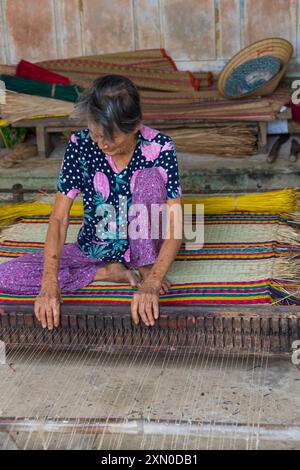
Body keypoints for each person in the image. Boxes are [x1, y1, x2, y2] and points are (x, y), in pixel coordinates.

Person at [0, 75, 183, 330]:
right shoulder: (80, 146)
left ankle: (145, 265)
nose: (104, 143)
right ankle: (107, 273)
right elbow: (59, 218)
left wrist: (153, 281)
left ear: (134, 126)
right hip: (96, 249)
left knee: (149, 180)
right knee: (6, 276)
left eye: (112, 137)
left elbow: (176, 222)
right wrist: (49, 283)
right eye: (98, 135)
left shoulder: (160, 147)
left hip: (148, 247)